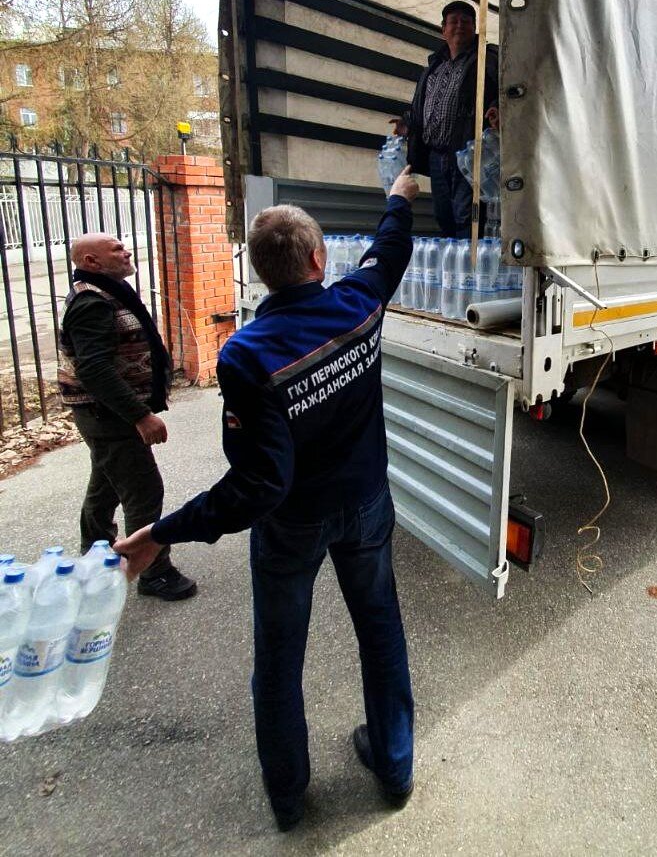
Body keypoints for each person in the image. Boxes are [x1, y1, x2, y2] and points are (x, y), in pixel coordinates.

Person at [115, 166, 420, 833]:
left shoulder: (247, 354)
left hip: (292, 526)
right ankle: (394, 765)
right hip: (365, 506)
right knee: (380, 630)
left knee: (279, 657)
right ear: (317, 260)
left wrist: (163, 530)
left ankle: (288, 796)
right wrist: (397, 198)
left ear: (261, 274)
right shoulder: (358, 302)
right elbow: (389, 249)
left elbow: (259, 482)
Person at [57, 233, 196, 602]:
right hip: (109, 416)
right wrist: (141, 416)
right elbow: (95, 369)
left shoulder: (108, 291)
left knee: (105, 482)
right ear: (91, 261)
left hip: (105, 414)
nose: (127, 251)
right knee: (144, 490)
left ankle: (97, 551)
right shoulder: (92, 302)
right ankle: (154, 572)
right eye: (116, 249)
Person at [391, 0, 498, 238]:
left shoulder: (487, 60)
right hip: (436, 157)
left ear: (475, 28)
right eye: (453, 21)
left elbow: (505, 91)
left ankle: (470, 270)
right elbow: (421, 106)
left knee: (467, 218)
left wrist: (496, 107)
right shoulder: (434, 66)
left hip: (468, 155)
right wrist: (407, 123)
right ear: (443, 29)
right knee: (444, 216)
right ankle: (454, 269)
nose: (460, 25)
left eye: (466, 21)